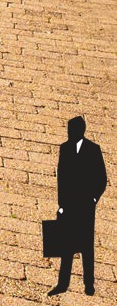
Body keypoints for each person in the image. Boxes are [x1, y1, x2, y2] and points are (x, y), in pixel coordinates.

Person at [55, 115, 107, 295]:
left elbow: (102, 178)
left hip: (85, 206)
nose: (69, 133)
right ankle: (63, 283)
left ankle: (88, 283)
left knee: (86, 246)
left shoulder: (93, 149)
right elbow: (61, 178)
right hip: (69, 205)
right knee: (66, 246)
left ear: (80, 131)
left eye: (72, 130)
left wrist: (93, 199)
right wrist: (61, 204)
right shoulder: (64, 148)